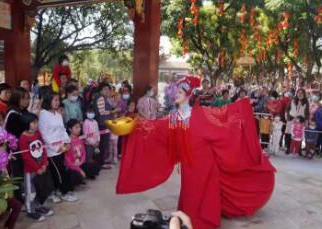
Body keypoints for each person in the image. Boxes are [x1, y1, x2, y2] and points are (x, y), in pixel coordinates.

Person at [117, 76, 275, 229]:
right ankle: (191, 219)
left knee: (204, 191)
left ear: (187, 95)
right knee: (191, 192)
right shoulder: (174, 117)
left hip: (205, 162)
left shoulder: (202, 113)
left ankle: (204, 220)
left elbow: (224, 122)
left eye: (179, 92)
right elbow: (155, 128)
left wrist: (241, 107)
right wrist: (135, 125)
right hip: (189, 163)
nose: (175, 95)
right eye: (175, 92)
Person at [38, 92, 78, 203]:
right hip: (51, 151)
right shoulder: (43, 114)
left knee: (62, 170)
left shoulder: (58, 115)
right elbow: (44, 134)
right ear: (48, 101)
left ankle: (61, 190)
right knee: (58, 171)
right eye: (54, 100)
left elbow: (62, 130)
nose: (57, 102)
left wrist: (68, 142)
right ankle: (64, 192)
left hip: (62, 148)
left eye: (58, 100)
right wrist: (56, 148)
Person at [18, 113, 54, 221]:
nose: (36, 124)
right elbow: (26, 157)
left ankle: (38, 206)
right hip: (31, 170)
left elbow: (43, 149)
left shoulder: (38, 133)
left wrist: (44, 163)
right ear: (26, 124)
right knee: (31, 191)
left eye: (36, 122)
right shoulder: (23, 138)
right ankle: (30, 210)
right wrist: (36, 168)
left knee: (40, 188)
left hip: (41, 167)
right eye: (33, 122)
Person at [4, 87, 30, 202]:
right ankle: (18, 200)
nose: (26, 101)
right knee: (17, 176)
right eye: (23, 98)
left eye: (28, 98)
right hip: (16, 150)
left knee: (24, 174)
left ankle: (25, 196)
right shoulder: (13, 114)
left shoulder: (23, 111)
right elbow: (15, 135)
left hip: (25, 148)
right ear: (16, 99)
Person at [93, 82, 119, 170]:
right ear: (101, 89)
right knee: (103, 144)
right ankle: (101, 163)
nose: (107, 91)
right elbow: (102, 112)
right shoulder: (100, 98)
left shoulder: (104, 98)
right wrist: (112, 112)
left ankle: (102, 161)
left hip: (105, 123)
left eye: (108, 89)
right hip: (102, 123)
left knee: (104, 144)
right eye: (105, 89)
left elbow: (112, 105)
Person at [66, 119, 98, 186]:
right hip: (72, 166)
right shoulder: (67, 142)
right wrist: (79, 169)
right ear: (69, 129)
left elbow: (84, 153)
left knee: (95, 166)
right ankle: (81, 176)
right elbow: (67, 161)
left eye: (79, 127)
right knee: (76, 176)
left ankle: (84, 175)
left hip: (80, 163)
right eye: (76, 127)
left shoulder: (80, 139)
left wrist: (81, 162)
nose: (79, 129)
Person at [285, 89, 309, 154]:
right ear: (297, 93)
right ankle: (288, 148)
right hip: (291, 119)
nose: (300, 94)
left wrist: (306, 121)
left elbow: (307, 112)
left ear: (304, 94)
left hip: (301, 120)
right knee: (289, 134)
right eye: (299, 93)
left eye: (301, 93)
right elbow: (287, 109)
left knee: (299, 135)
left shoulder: (306, 102)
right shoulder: (292, 100)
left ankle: (298, 150)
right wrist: (287, 116)